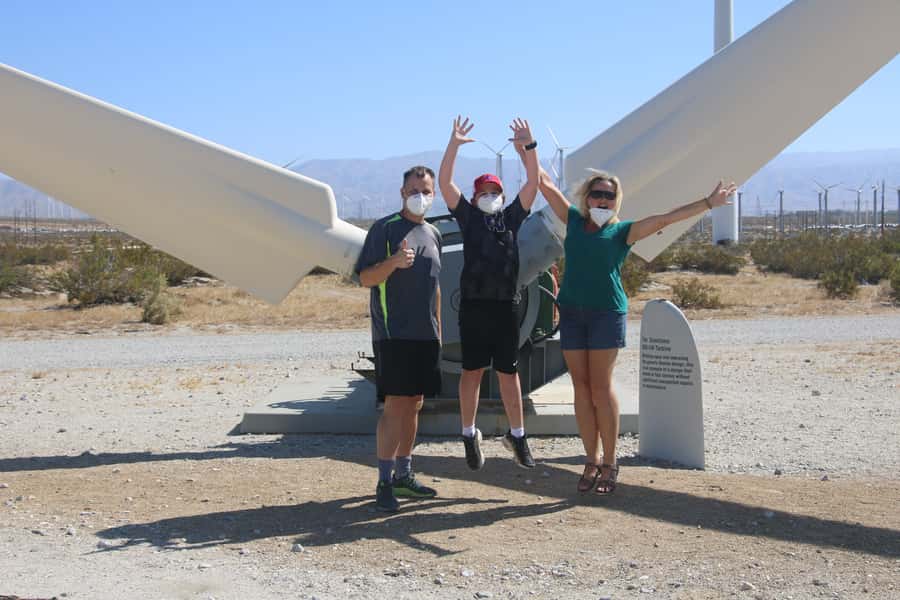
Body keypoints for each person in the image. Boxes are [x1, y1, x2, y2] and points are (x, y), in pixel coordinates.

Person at [537, 167, 735, 494]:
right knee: (581, 389)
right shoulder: (573, 220)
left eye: (609, 195)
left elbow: (665, 219)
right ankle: (591, 458)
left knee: (600, 387)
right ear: (586, 197)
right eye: (597, 193)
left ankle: (610, 462)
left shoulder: (622, 232)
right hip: (572, 312)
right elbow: (544, 184)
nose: (602, 199)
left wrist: (708, 203)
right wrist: (527, 148)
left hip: (606, 314)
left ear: (617, 201)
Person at [438, 116, 539, 470]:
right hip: (473, 308)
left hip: (505, 309)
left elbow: (534, 183)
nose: (490, 197)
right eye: (484, 192)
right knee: (472, 372)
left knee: (509, 375)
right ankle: (468, 434)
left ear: (503, 197)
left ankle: (518, 435)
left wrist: (528, 147)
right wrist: (453, 144)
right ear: (475, 196)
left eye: (495, 192)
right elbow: (444, 182)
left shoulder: (511, 218)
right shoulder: (468, 218)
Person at [355, 165, 444, 512]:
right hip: (394, 335)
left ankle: (405, 475)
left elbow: (435, 287)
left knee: (416, 403)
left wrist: (440, 333)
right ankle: (383, 481)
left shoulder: (433, 233)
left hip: (426, 336)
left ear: (433, 194)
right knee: (395, 406)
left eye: (426, 190)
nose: (420, 196)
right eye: (414, 190)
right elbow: (365, 278)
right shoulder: (385, 229)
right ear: (402, 192)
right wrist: (392, 262)